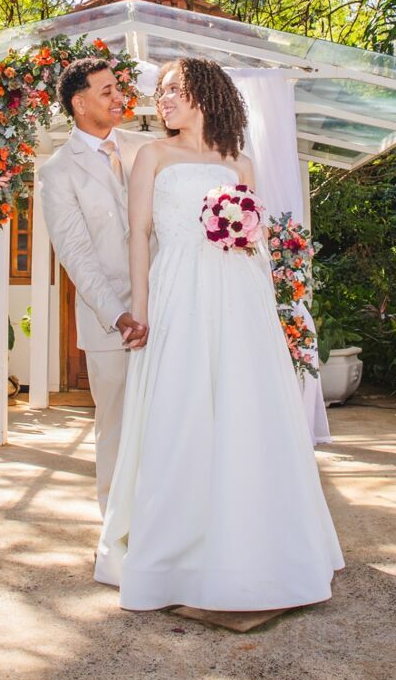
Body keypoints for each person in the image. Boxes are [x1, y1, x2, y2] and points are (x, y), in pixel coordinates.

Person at [95, 57, 343, 612]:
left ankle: (255, 543)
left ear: (206, 94)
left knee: (243, 407)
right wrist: (140, 309)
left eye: (173, 90)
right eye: (158, 93)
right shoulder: (151, 156)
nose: (162, 101)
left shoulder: (240, 163)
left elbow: (253, 241)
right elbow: (139, 234)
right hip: (178, 290)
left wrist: (265, 302)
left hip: (239, 296)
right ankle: (176, 551)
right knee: (180, 407)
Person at [37, 56, 152, 514]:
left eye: (118, 88)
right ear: (80, 104)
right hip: (111, 324)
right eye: (106, 91)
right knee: (117, 427)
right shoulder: (58, 171)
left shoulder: (147, 149)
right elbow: (77, 256)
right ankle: (118, 526)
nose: (119, 97)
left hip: (166, 306)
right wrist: (120, 315)